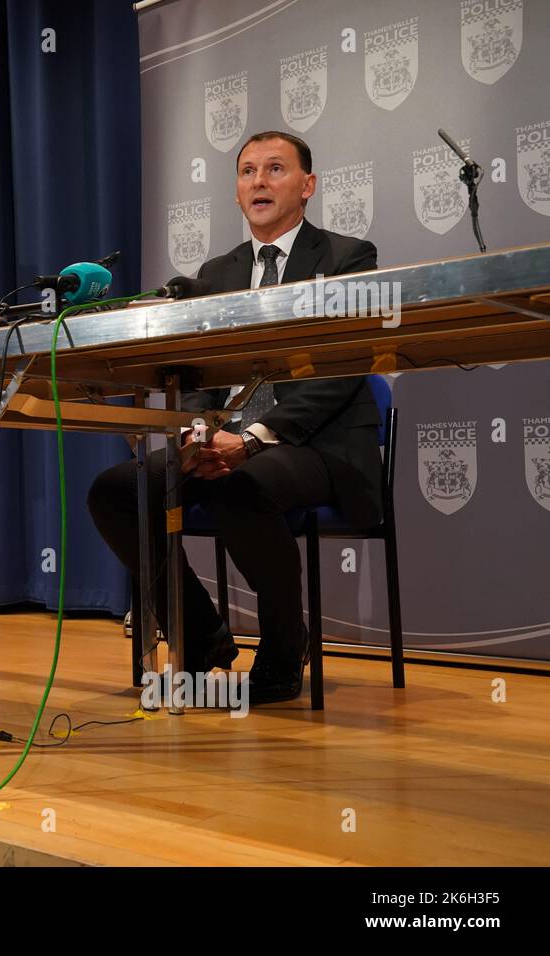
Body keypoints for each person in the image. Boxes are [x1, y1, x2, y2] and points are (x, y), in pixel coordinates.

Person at [87, 131, 383, 703]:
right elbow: (196, 377)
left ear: (307, 186)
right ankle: (200, 639)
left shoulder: (350, 257)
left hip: (315, 444)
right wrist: (201, 434)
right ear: (237, 192)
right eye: (248, 172)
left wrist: (250, 439)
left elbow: (341, 369)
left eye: (275, 169)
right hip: (225, 440)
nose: (259, 181)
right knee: (115, 491)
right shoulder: (215, 272)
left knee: (240, 487)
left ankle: (282, 645)